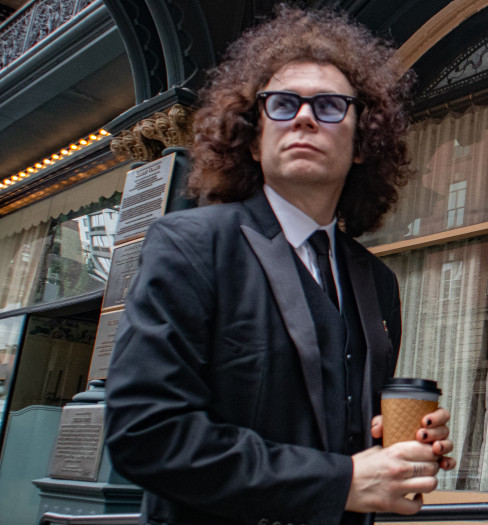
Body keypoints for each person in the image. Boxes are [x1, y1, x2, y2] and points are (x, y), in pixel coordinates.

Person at [104, 7, 453, 525]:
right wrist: (343, 482)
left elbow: (346, 427)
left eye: (331, 106)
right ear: (252, 135)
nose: (305, 117)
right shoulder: (189, 245)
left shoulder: (377, 281)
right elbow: (146, 434)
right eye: (283, 103)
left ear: (362, 142)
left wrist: (405, 447)